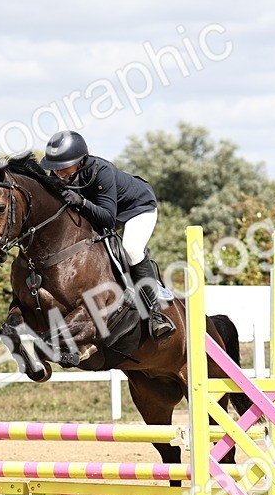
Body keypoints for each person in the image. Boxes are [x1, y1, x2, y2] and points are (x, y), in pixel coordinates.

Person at [39, 130, 175, 341]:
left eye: (62, 167)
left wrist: (82, 202)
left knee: (131, 249)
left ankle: (155, 313)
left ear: (80, 160)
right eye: (54, 168)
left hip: (137, 208)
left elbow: (108, 220)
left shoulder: (101, 171)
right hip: (102, 211)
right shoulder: (60, 174)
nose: (57, 173)